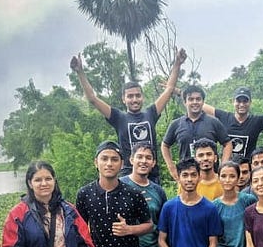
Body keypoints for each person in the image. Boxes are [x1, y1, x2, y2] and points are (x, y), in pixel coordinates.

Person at [70, 48, 186, 182]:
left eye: (137, 95)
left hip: (151, 175)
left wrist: (177, 64)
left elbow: (169, 90)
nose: (134, 99)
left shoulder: (151, 113)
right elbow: (92, 99)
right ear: (123, 99)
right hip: (128, 175)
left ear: (142, 97)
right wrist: (80, 72)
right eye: (130, 96)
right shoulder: (118, 117)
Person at [162, 85, 231, 180]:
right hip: (187, 178)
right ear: (185, 102)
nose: (195, 102)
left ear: (203, 102)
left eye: (198, 99)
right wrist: (171, 167)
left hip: (211, 177)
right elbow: (165, 145)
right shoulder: (176, 124)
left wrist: (223, 166)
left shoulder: (213, 122)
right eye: (191, 99)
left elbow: (227, 143)